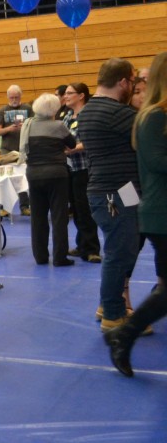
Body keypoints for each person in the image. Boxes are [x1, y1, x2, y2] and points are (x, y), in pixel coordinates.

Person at [105, 51, 167, 375]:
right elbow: (159, 162)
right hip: (159, 210)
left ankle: (122, 335)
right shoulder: (153, 116)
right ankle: (122, 332)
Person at [75, 58, 141, 331]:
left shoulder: (89, 110)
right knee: (118, 252)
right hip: (114, 193)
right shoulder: (119, 114)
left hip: (115, 190)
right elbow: (147, 130)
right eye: (133, 83)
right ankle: (114, 314)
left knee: (122, 248)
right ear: (123, 82)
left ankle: (108, 304)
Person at [19, 93, 77, 266]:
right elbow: (72, 144)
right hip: (57, 175)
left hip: (34, 175)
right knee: (59, 217)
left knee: (38, 217)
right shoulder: (59, 126)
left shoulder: (27, 126)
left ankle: (41, 257)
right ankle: (60, 257)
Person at [61, 83, 102, 262]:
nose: (65, 96)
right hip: (69, 168)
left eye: (70, 93)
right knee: (76, 209)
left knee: (85, 209)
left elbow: (92, 140)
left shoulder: (88, 115)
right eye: (65, 93)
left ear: (81, 96)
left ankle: (92, 249)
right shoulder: (67, 116)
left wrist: (74, 149)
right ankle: (81, 244)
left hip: (84, 168)